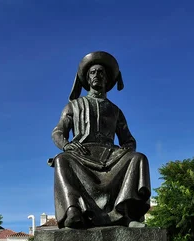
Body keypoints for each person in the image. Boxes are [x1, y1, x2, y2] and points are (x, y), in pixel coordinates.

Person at [50, 51, 150, 229]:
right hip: (81, 155)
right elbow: (57, 132)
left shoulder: (115, 110)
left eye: (101, 72)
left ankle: (127, 214)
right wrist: (67, 145)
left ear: (107, 79)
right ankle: (73, 210)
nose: (97, 75)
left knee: (138, 158)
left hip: (110, 156)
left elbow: (128, 139)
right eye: (93, 72)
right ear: (87, 79)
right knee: (62, 160)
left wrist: (125, 149)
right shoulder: (73, 105)